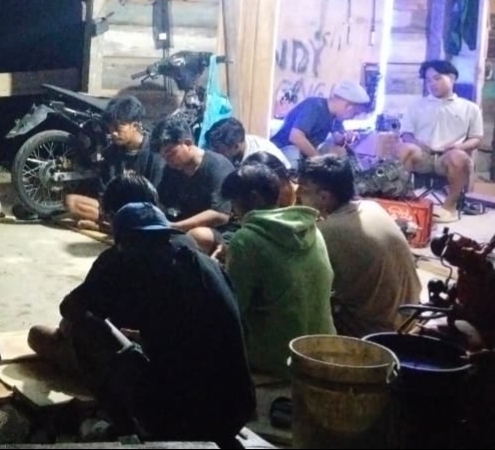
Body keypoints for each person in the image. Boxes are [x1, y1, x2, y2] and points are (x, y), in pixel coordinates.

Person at [29, 174, 255, 445]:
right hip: (237, 410)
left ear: (120, 232)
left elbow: (70, 310)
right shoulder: (200, 257)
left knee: (72, 331)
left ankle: (126, 427)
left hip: (179, 419)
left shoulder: (124, 259)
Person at [222, 164, 336, 377]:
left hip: (280, 358)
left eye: (234, 203)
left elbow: (233, 307)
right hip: (323, 348)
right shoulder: (309, 227)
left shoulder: (246, 239)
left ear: (253, 197)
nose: (233, 212)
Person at [297, 155, 422, 337]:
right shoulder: (372, 206)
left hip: (376, 332)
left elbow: (302, 283)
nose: (299, 195)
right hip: (411, 317)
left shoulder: (325, 232)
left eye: (304, 191)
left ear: (324, 197)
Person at [396, 59, 484, 223]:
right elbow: (406, 133)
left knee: (458, 156)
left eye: (437, 78)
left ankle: (449, 207)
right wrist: (418, 143)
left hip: (447, 157)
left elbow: (476, 139)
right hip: (422, 156)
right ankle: (404, 199)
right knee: (404, 147)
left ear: (452, 78)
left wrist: (459, 146)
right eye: (428, 80)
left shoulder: (470, 108)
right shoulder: (416, 105)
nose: (432, 84)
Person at [62, 95, 166, 228]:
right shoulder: (111, 152)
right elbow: (105, 190)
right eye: (111, 128)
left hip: (142, 210)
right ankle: (112, 226)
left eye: (118, 128)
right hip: (115, 210)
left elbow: (156, 198)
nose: (113, 133)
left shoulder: (154, 154)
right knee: (71, 202)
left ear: (135, 126)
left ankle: (107, 226)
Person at [153, 117, 236, 254]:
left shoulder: (217, 166)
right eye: (164, 157)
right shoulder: (171, 170)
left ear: (188, 143)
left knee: (197, 235)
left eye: (171, 153)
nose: (168, 161)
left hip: (221, 231)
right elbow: (162, 201)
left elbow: (221, 215)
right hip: (183, 226)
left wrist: (175, 226)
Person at [269, 81, 370, 166]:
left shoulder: (334, 117)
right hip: (283, 152)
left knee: (339, 152)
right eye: (355, 113)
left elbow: (338, 138)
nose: (353, 117)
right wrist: (320, 161)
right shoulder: (315, 107)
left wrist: (345, 139)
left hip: (301, 156)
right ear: (348, 107)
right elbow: (296, 137)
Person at [206, 117, 291, 169]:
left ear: (236, 146)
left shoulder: (258, 160)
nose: (215, 152)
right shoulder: (239, 141)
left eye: (218, 150)